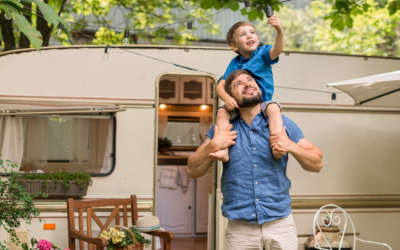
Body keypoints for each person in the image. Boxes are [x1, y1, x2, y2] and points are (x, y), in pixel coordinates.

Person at [187, 70, 323, 250]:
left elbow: (317, 163)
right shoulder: (222, 129)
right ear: (231, 97)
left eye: (250, 80)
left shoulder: (282, 124)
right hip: (240, 230)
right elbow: (192, 170)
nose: (248, 84)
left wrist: (290, 145)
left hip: (281, 225)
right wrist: (213, 145)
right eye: (239, 84)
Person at [215, 18, 285, 161]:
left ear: (257, 39)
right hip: (241, 104)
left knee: (274, 109)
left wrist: (279, 30)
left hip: (262, 102)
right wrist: (228, 99)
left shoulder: (263, 53)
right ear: (234, 46)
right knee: (222, 111)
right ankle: (223, 150)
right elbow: (220, 86)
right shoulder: (235, 63)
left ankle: (277, 145)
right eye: (243, 34)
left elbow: (278, 49)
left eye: (252, 32)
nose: (249, 36)